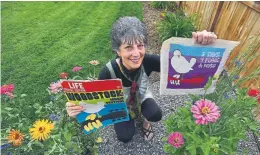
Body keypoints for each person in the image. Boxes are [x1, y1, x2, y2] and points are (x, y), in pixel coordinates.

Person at [66, 16, 217, 143]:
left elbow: (181, 64)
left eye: (140, 45)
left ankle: (144, 120)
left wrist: (200, 45)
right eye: (129, 47)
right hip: (120, 105)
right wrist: (77, 108)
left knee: (155, 114)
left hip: (142, 95)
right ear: (117, 51)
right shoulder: (108, 71)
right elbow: (96, 101)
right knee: (125, 137)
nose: (136, 53)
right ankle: (129, 117)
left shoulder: (149, 61)